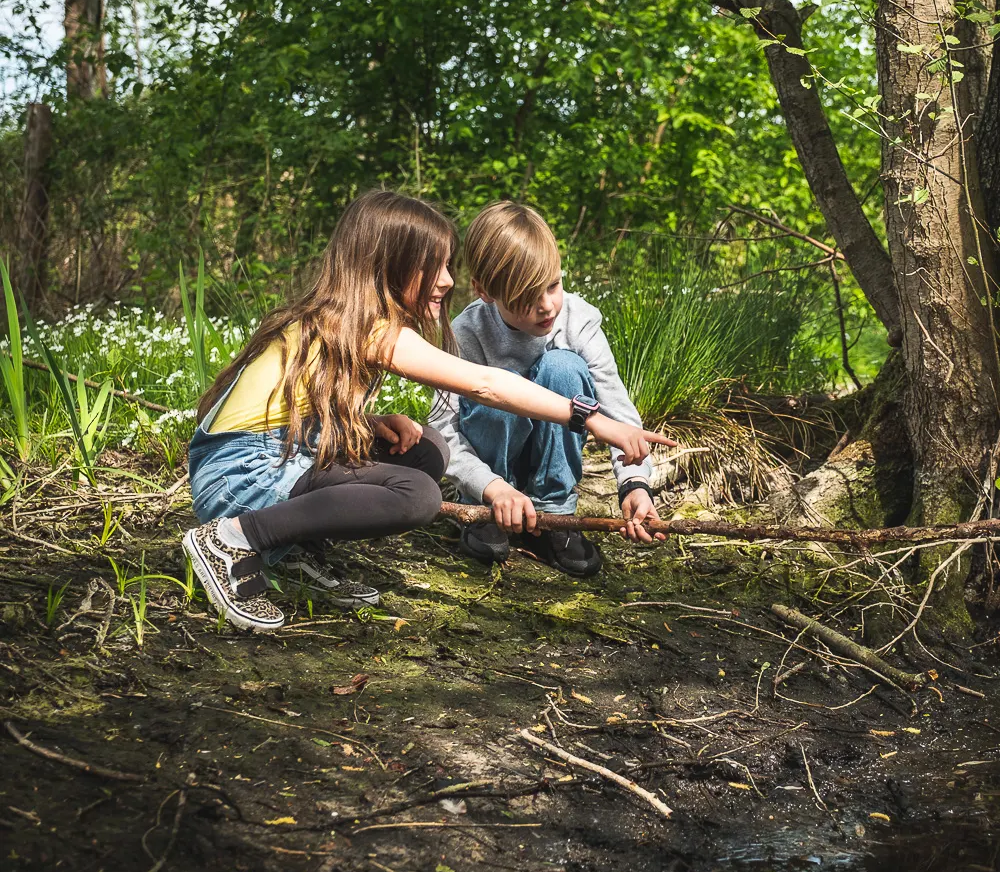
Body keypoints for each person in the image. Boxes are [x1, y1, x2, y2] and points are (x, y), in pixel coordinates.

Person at [183, 191, 673, 632]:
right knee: (417, 495)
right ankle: (232, 539)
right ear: (389, 269)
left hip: (271, 457)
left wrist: (367, 423)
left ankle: (297, 551)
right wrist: (591, 419)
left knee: (426, 451)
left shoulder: (347, 322)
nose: (447, 280)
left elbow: (288, 408)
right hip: (242, 475)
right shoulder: (370, 328)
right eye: (434, 267)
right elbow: (486, 385)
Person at [431, 201, 671, 577]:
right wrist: (490, 487)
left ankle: (553, 513)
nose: (547, 306)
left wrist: (635, 485)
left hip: (550, 469)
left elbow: (615, 411)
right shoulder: (467, 333)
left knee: (564, 367)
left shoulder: (578, 320)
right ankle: (485, 518)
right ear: (484, 291)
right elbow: (443, 429)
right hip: (491, 483)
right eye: (527, 298)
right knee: (493, 386)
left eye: (554, 285)